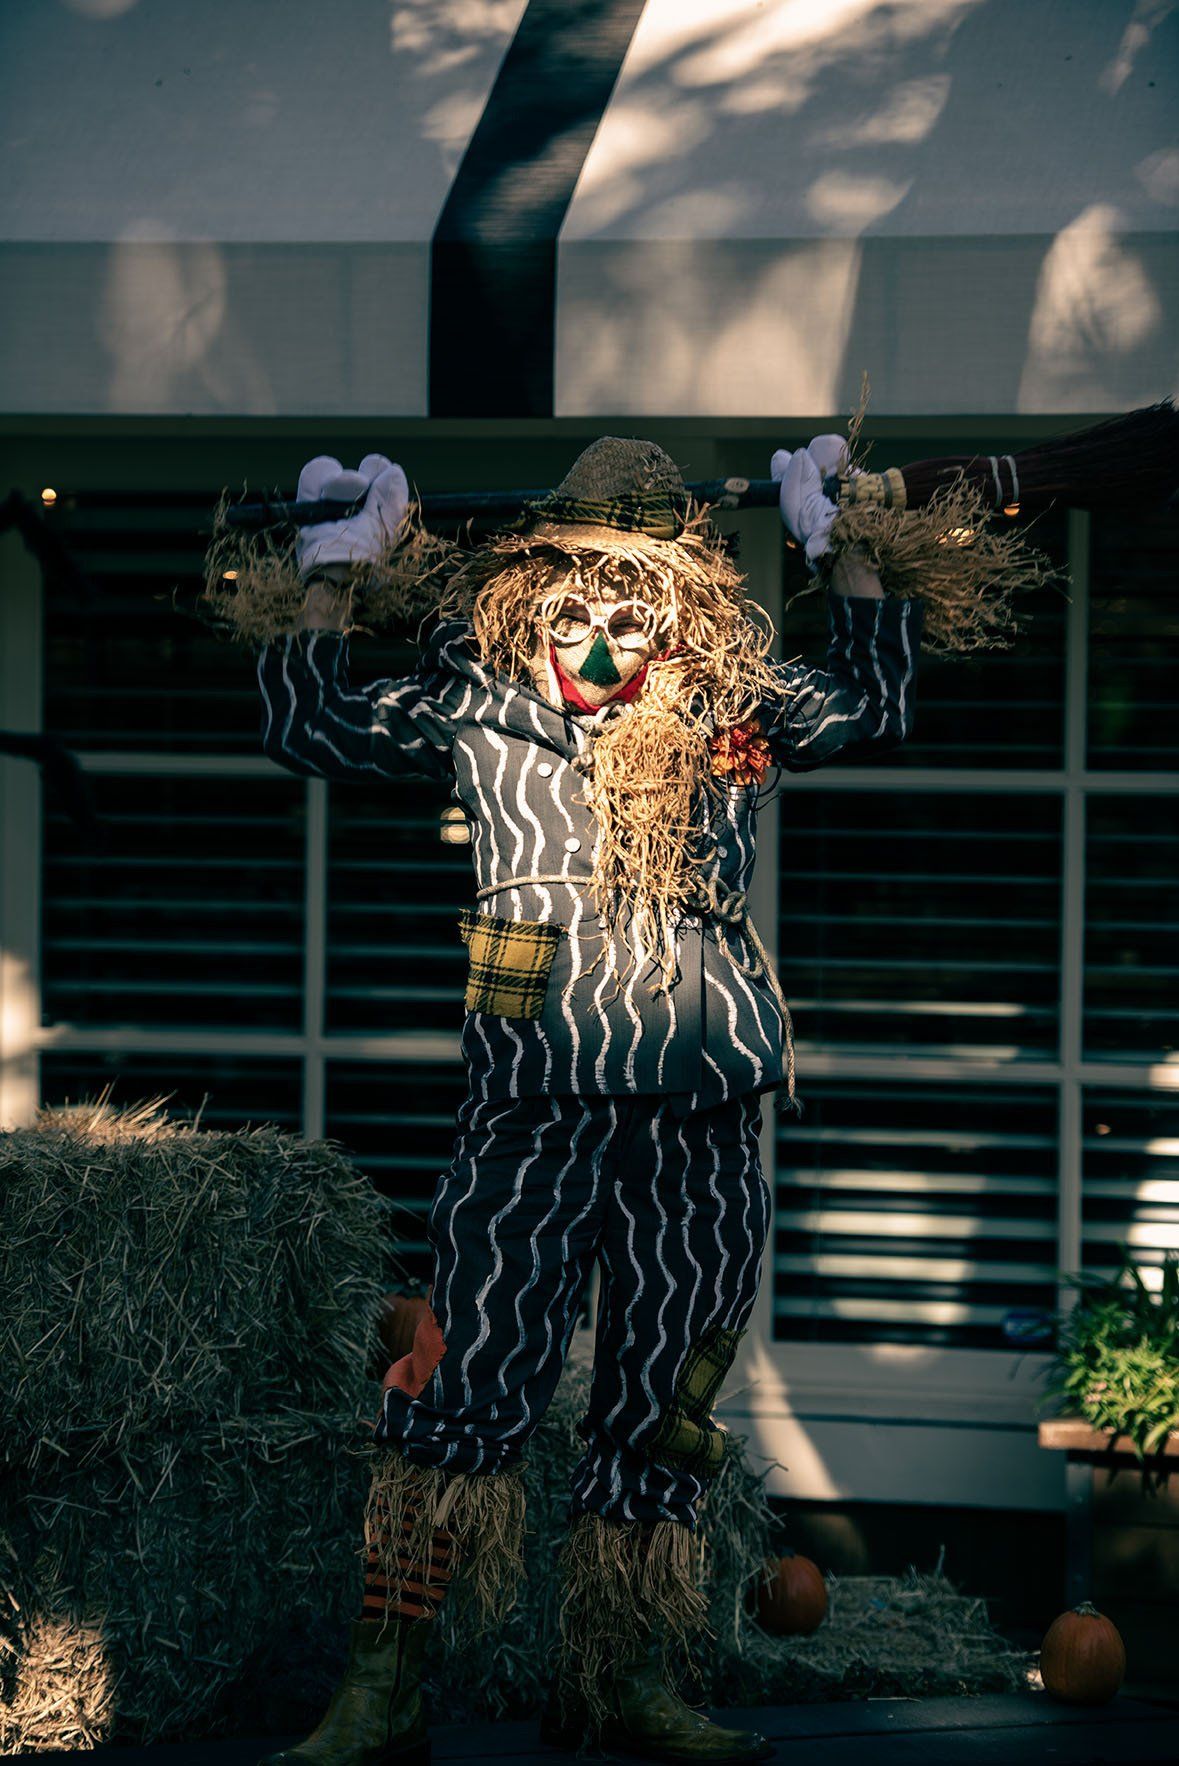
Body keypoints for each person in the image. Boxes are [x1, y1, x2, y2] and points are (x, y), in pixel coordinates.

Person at [252, 435, 921, 1766]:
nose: (603, 640)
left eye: (631, 612)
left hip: (704, 1102)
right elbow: (306, 724)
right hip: (533, 1098)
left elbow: (872, 708)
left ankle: (620, 1677)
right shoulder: (474, 691)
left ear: (671, 603)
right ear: (532, 598)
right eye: (576, 610)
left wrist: (848, 551)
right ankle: (385, 1687)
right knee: (460, 1391)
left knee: (666, 1399)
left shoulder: (732, 693)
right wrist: (327, 575)